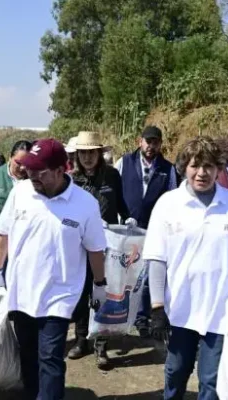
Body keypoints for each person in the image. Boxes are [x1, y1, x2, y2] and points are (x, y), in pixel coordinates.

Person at [0, 138, 108, 400]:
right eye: (29, 169)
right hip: (21, 291)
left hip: (59, 295)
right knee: (28, 353)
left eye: (39, 172)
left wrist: (100, 284)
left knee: (50, 357)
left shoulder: (85, 204)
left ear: (61, 170)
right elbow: (3, 234)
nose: (31, 176)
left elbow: (96, 249)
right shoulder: (20, 192)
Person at [143, 136, 228, 400]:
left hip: (221, 309)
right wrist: (157, 307)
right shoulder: (168, 204)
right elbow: (157, 259)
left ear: (219, 169)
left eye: (209, 166)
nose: (202, 173)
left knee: (212, 380)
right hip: (181, 307)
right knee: (176, 371)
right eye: (195, 166)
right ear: (184, 167)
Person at [68, 131, 134, 369]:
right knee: (81, 292)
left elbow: (121, 202)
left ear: (99, 153)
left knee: (102, 294)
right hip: (79, 246)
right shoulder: (72, 180)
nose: (87, 157)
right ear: (77, 155)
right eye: (83, 153)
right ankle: (80, 340)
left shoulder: (112, 175)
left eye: (91, 153)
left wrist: (128, 218)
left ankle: (101, 345)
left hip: (107, 245)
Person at [115, 125, 177, 337]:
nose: (151, 146)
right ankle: (123, 316)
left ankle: (143, 318)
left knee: (147, 277)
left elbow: (172, 199)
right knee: (125, 274)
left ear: (161, 144)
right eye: (148, 141)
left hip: (154, 231)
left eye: (155, 142)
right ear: (139, 141)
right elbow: (115, 191)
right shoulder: (124, 162)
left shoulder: (168, 169)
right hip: (127, 229)